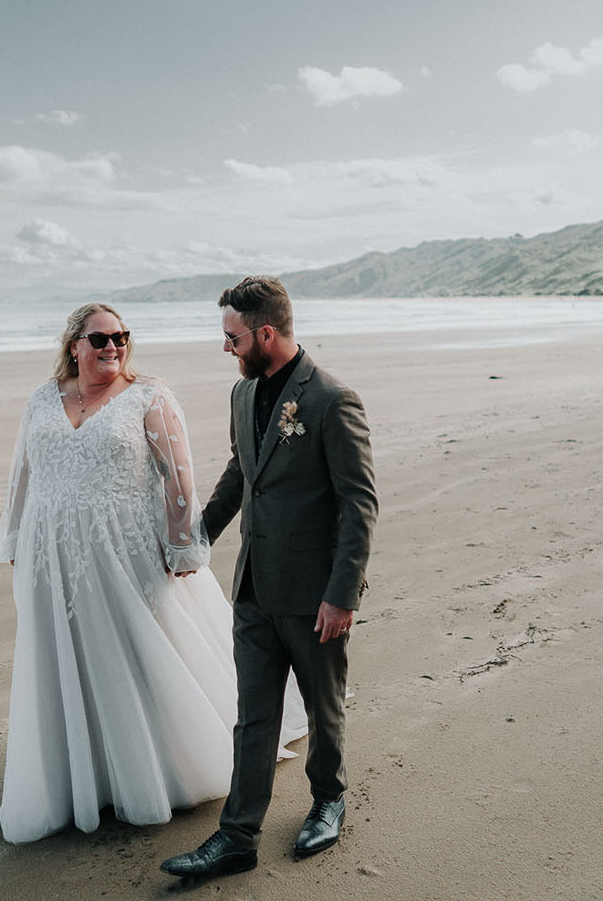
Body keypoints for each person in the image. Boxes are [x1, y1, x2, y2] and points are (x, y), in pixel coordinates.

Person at [0, 302, 303, 843]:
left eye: (121, 338)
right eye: (100, 339)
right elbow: (23, 475)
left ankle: (154, 764)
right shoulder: (41, 401)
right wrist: (17, 540)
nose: (113, 347)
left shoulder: (149, 398)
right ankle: (82, 773)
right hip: (52, 556)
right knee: (67, 656)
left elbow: (178, 478)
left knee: (134, 652)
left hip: (125, 550)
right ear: (74, 345)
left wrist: (184, 547)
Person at [160, 276, 378, 878]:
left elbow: (359, 504)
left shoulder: (332, 399)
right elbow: (241, 473)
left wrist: (341, 595)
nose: (226, 348)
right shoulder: (243, 394)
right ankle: (237, 836)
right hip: (252, 587)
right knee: (253, 715)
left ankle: (328, 801)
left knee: (321, 705)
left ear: (265, 332)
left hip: (315, 595)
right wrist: (195, 538)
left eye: (232, 337)